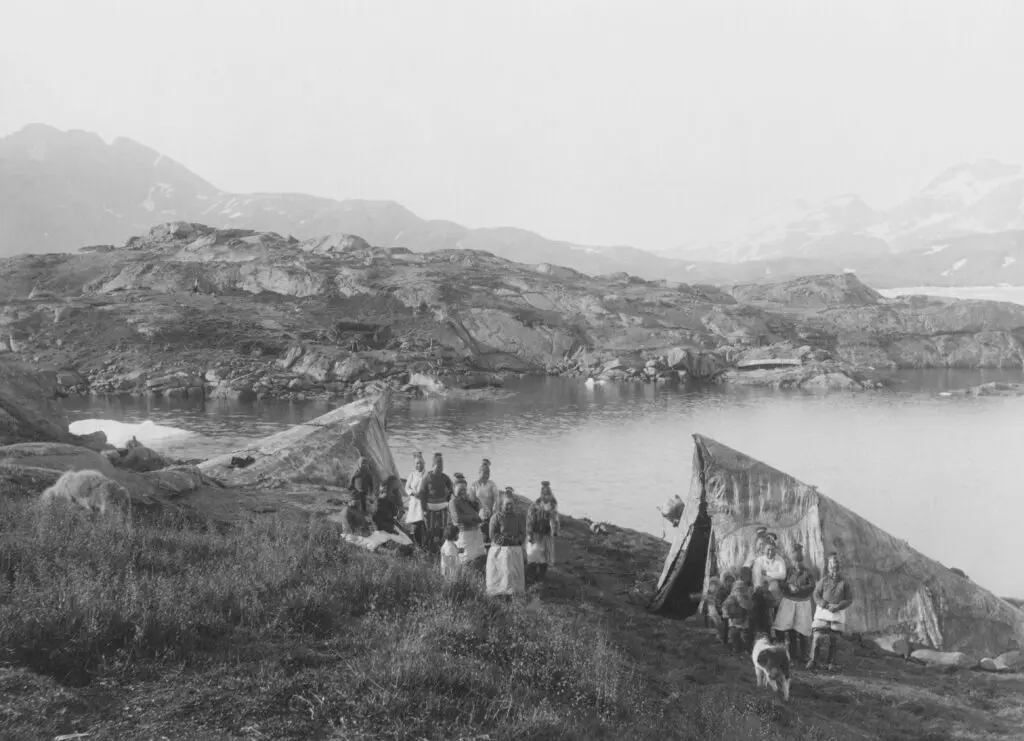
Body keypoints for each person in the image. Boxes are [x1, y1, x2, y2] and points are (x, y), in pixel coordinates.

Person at [807, 552, 854, 671]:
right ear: (829, 567)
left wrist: (838, 606)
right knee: (817, 637)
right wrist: (825, 604)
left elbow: (849, 599)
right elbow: (816, 594)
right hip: (823, 612)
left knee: (835, 639)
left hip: (837, 613)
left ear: (840, 566)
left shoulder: (845, 582)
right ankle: (813, 660)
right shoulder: (824, 580)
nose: (835, 567)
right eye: (833, 565)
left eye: (837, 564)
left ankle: (831, 662)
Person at [773, 543, 816, 662]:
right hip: (788, 601)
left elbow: (812, 586)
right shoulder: (789, 571)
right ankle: (786, 653)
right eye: (795, 561)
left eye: (800, 561)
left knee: (801, 630)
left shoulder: (807, 573)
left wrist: (800, 589)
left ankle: (803, 655)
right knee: (784, 628)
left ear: (802, 561)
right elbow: (781, 583)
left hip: (802, 603)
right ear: (792, 561)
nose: (798, 564)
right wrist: (789, 586)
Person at [486, 490, 526, 597]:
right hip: (499, 552)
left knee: (513, 574)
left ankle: (513, 594)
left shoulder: (517, 518)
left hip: (514, 552)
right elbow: (493, 535)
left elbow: (522, 533)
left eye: (511, 504)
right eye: (507, 504)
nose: (509, 507)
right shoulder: (496, 517)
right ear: (502, 504)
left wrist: (518, 540)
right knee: (501, 574)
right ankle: (498, 594)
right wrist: (509, 541)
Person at [448, 473, 487, 570]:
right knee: (466, 559)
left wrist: (482, 510)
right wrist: (475, 517)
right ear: (454, 488)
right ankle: (465, 577)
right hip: (464, 534)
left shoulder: (468, 498)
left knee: (479, 556)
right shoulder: (453, 502)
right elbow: (458, 519)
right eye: (460, 489)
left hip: (476, 533)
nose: (462, 492)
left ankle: (478, 574)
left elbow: (478, 503)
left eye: (464, 489)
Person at [417, 452, 454, 552]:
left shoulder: (445, 478)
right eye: (439, 465)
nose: (441, 468)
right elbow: (422, 495)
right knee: (430, 530)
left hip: (443, 507)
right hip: (430, 508)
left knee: (443, 528)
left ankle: (442, 548)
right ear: (433, 465)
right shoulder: (427, 478)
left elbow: (452, 489)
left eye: (442, 465)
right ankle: (429, 548)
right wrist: (424, 509)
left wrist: (449, 498)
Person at [525, 481, 560, 582]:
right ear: (541, 494)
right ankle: (530, 577)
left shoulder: (553, 507)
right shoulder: (534, 506)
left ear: (550, 495)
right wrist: (529, 533)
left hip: (546, 536)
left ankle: (541, 577)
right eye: (544, 494)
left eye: (548, 494)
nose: (546, 496)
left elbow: (556, 521)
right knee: (533, 555)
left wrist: (555, 530)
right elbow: (529, 521)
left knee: (544, 558)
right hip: (535, 535)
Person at [753, 534, 788, 617]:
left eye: (772, 549)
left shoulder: (779, 559)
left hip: (777, 595)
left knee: (778, 618)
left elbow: (783, 575)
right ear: (764, 550)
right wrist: (774, 576)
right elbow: (757, 578)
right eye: (768, 549)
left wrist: (767, 573)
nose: (770, 552)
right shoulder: (759, 561)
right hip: (763, 594)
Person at [722, 566, 754, 655]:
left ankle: (741, 650)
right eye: (748, 576)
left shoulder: (745, 586)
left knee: (740, 634)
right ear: (743, 576)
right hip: (736, 614)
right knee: (737, 634)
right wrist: (750, 605)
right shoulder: (739, 586)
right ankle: (739, 651)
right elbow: (743, 602)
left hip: (739, 615)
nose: (750, 578)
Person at [468, 459, 500, 546]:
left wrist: (494, 510)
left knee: (489, 534)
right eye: (484, 472)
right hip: (478, 514)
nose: (486, 475)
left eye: (488, 473)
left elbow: (496, 498)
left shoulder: (492, 484)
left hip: (490, 514)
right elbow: (471, 500)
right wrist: (477, 513)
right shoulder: (474, 485)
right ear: (479, 472)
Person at [404, 452, 427, 546]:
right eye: (417, 463)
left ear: (424, 463)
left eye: (421, 463)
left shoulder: (427, 475)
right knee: (414, 522)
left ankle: (424, 542)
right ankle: (415, 542)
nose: (419, 465)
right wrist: (411, 493)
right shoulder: (412, 474)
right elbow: (406, 487)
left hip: (422, 501)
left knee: (421, 521)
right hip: (414, 500)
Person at [713, 572, 736, 646]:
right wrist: (725, 612)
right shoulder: (720, 591)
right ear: (725, 581)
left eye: (732, 581)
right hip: (723, 613)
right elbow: (718, 604)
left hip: (733, 612)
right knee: (726, 623)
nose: (730, 583)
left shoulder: (734, 591)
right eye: (729, 581)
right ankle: (725, 640)